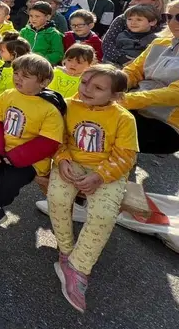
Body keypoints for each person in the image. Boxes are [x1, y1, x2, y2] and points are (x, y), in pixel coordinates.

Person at [49, 65, 137, 313]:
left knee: (104, 215)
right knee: (56, 198)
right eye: (84, 81)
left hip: (107, 170)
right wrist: (63, 158)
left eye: (97, 87)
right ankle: (66, 251)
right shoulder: (67, 105)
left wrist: (100, 176)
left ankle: (79, 267)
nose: (86, 89)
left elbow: (125, 156)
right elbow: (57, 138)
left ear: (116, 95)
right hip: (71, 163)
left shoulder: (123, 118)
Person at [0, 54, 64, 237]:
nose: (18, 78)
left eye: (26, 76)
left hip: (30, 160)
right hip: (2, 150)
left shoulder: (50, 108)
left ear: (43, 82)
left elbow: (48, 142)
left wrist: (15, 157)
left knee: (10, 182)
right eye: (16, 73)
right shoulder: (9, 95)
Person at [121, 0, 179, 150]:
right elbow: (132, 72)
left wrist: (122, 100)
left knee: (99, 127)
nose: (172, 22)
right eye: (168, 17)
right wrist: (107, 83)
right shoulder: (159, 42)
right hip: (134, 108)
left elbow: (178, 93)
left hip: (169, 124)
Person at [101, 0, 169, 66]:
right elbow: (108, 43)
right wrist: (122, 59)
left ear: (155, 3)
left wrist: (141, 62)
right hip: (117, 64)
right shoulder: (123, 19)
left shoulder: (169, 22)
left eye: (137, 0)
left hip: (150, 65)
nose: (131, 3)